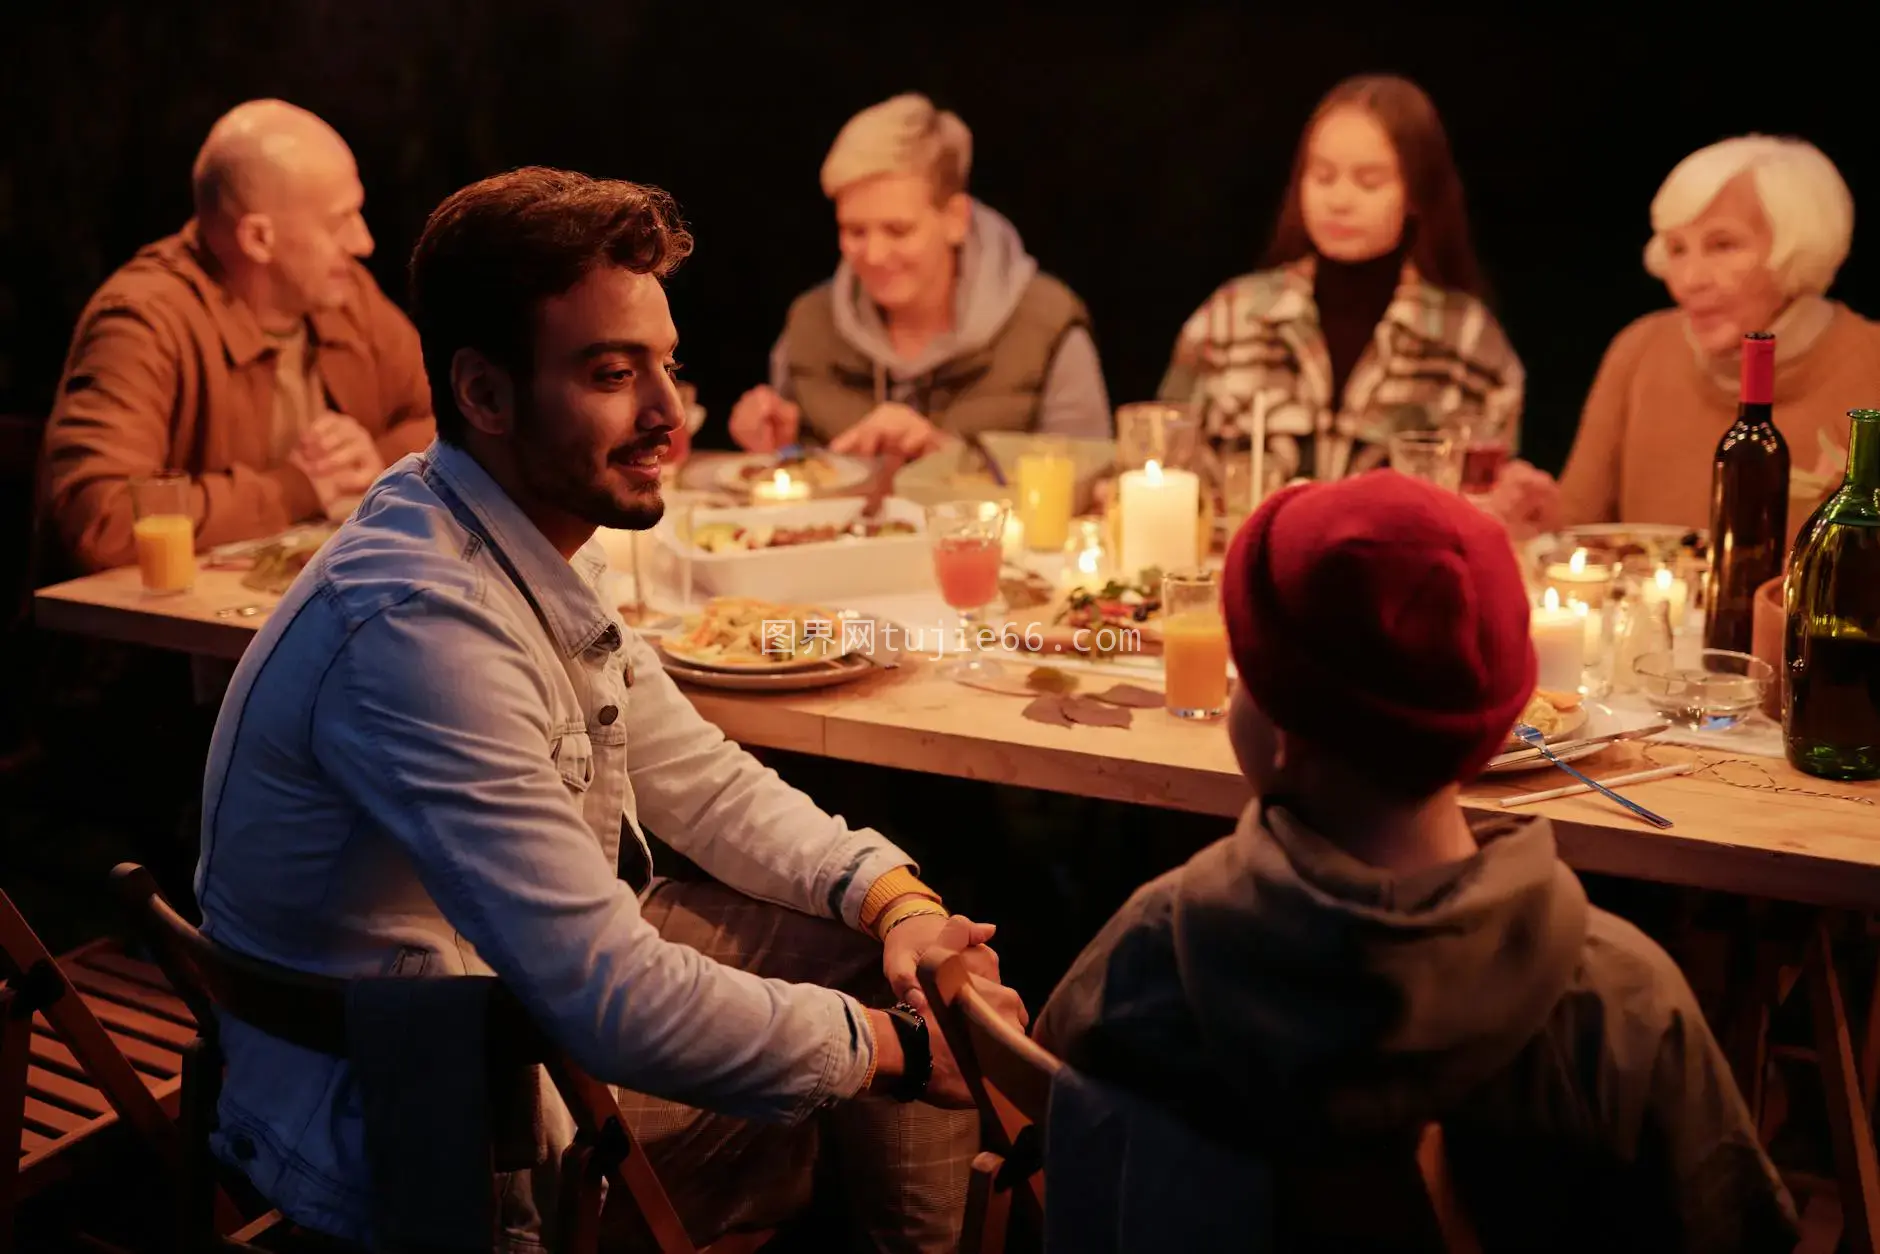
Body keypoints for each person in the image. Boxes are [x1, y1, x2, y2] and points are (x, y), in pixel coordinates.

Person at [195, 167, 1024, 1251]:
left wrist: (891, 896)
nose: (669, 415)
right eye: (610, 373)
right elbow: (613, 1002)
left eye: (665, 366)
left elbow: (703, 779)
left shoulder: (494, 526)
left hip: (492, 1012)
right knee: (903, 1044)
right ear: (484, 395)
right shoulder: (420, 627)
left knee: (894, 964)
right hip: (424, 1110)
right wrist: (898, 1052)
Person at [1033, 472, 1796, 1252]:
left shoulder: (1149, 955)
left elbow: (1064, 1165)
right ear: (1497, 715)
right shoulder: (1626, 1003)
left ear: (1275, 724)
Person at [39, 99, 434, 575]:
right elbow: (103, 521)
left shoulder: (346, 295)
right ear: (258, 239)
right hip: (161, 641)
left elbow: (452, 418)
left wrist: (373, 460)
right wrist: (294, 488)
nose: (362, 242)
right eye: (339, 221)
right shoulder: (144, 321)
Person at [1491, 135, 1880, 542]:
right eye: (1677, 249)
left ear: (1798, 247)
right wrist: (1536, 523)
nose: (1688, 280)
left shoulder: (1870, 361)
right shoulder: (1640, 348)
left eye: (1723, 245)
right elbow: (1579, 528)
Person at [1159, 75, 1522, 491]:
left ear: (1416, 192)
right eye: (1323, 176)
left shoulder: (1470, 343)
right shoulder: (1228, 320)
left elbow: (1487, 512)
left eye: (1369, 181)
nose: (1340, 200)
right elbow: (1157, 466)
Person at [728, 93, 1110, 460]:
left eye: (898, 230)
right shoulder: (809, 325)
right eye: (855, 231)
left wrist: (943, 459)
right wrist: (780, 446)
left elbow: (1087, 480)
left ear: (955, 219)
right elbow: (796, 488)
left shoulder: (1046, 324)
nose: (874, 255)